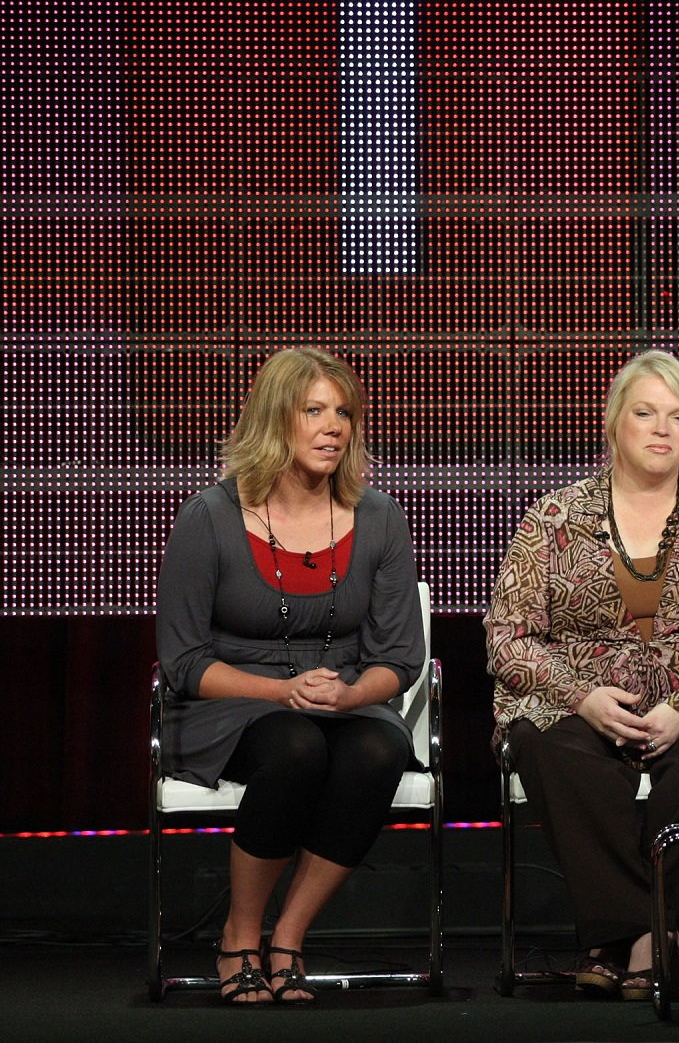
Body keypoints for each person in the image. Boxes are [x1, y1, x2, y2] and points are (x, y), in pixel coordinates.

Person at [486, 350, 679, 1000]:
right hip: (580, 704)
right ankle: (648, 935)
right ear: (614, 422)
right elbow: (507, 637)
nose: (662, 428)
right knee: (557, 747)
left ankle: (615, 942)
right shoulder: (554, 517)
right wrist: (581, 696)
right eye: (646, 412)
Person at [156, 347, 425, 1004]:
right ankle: (239, 935)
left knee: (381, 746)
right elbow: (184, 660)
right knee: (295, 746)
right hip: (230, 703)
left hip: (341, 703)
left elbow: (400, 655)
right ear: (276, 417)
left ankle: (289, 938)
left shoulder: (379, 517)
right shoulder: (209, 517)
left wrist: (355, 692)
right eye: (314, 410)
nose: (334, 426)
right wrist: (280, 691)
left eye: (343, 412)